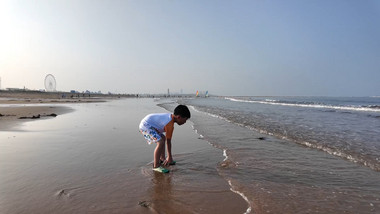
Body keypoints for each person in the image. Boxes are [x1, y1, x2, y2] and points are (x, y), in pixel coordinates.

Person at [139, 105, 191, 173]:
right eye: (185, 120)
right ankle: (156, 166)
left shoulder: (170, 118)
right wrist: (169, 157)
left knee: (163, 138)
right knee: (160, 142)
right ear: (179, 117)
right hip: (146, 125)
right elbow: (168, 142)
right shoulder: (169, 124)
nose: (185, 122)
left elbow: (167, 139)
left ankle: (162, 158)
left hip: (149, 124)